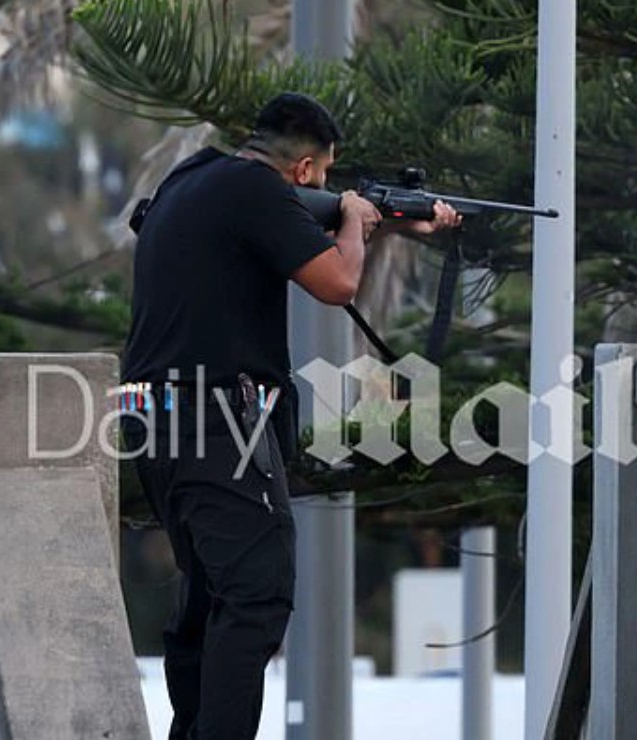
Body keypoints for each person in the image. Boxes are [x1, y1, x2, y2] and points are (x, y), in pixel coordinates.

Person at [120, 91, 461, 740]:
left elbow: (264, 230)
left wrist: (373, 215)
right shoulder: (258, 191)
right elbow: (337, 284)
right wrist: (356, 224)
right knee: (255, 598)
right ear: (304, 170)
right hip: (220, 425)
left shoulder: (193, 177)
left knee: (210, 597)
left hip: (156, 422)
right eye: (326, 176)